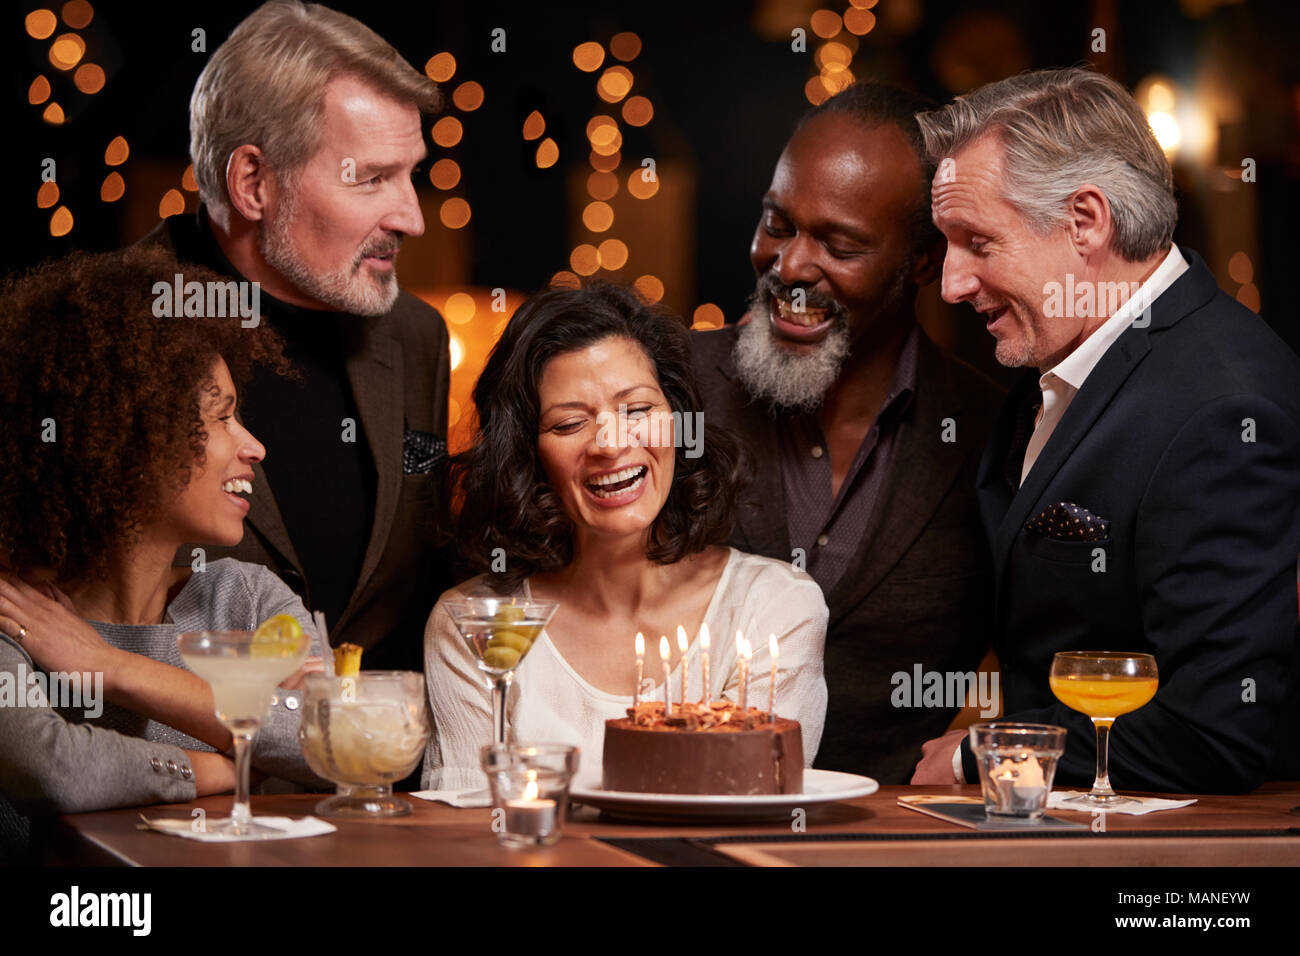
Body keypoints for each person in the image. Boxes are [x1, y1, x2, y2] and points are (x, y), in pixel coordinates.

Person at [912, 67, 1300, 793]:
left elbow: (1214, 733)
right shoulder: (1067, 358)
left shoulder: (1222, 408)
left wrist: (984, 753)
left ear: (1086, 221)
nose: (952, 283)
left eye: (976, 241)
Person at [691, 82, 1003, 784]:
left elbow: (1057, 662)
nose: (791, 266)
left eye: (840, 244)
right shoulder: (666, 387)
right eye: (777, 223)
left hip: (896, 843)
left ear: (924, 262)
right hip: (676, 826)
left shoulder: (995, 433)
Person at [139, 0, 452, 675]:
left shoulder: (417, 337)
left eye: (411, 175)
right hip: (180, 774)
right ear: (254, 182)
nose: (413, 218)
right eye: (371, 178)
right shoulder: (97, 336)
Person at [423, 283, 828, 790]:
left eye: (637, 411)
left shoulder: (774, 608)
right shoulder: (474, 625)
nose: (611, 445)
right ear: (529, 455)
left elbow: (749, 799)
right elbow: (469, 832)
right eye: (570, 422)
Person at [0, 247, 328, 863]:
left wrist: (108, 665)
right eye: (223, 417)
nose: (254, 446)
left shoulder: (245, 598)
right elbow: (57, 771)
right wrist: (229, 765)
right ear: (130, 438)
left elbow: (333, 742)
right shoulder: (14, 613)